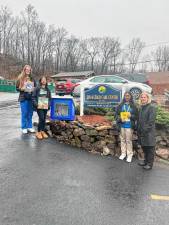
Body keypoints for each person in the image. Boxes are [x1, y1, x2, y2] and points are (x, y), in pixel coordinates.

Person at [115, 92, 138, 163]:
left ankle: (129, 155)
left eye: (128, 96)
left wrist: (131, 116)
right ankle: (123, 153)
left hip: (129, 126)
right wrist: (120, 119)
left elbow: (137, 116)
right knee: (122, 140)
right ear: (124, 97)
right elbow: (116, 115)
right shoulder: (120, 105)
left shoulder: (134, 106)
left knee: (128, 141)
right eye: (125, 96)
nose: (127, 97)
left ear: (130, 97)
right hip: (122, 125)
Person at [137, 92, 156, 170]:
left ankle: (149, 164)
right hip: (142, 132)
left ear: (148, 98)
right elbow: (140, 120)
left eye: (144, 97)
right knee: (144, 147)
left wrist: (144, 130)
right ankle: (145, 161)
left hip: (148, 132)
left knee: (150, 148)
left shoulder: (151, 107)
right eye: (141, 97)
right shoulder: (141, 107)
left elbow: (151, 121)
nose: (143, 99)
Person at [16, 65, 36, 134]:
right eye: (26, 69)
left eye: (29, 70)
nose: (28, 71)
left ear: (30, 71)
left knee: (30, 113)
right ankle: (24, 127)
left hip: (31, 98)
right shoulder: (20, 78)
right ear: (24, 70)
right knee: (24, 113)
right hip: (23, 98)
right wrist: (22, 89)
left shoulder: (32, 78)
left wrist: (33, 89)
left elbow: (35, 87)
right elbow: (17, 88)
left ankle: (29, 127)